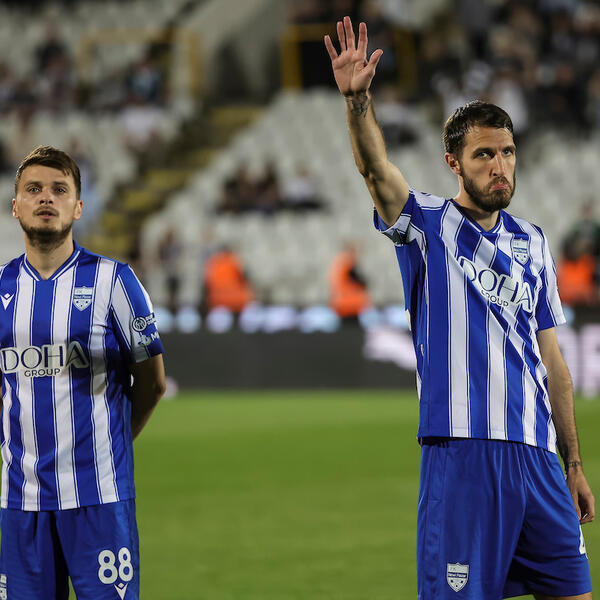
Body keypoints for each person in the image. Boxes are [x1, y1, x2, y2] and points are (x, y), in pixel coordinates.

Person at [325, 17, 594, 600]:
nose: (500, 166)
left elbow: (554, 363)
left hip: (540, 460)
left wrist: (573, 463)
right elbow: (376, 171)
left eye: (508, 153)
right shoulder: (427, 225)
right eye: (484, 155)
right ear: (454, 163)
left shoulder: (534, 242)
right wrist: (357, 102)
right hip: (463, 455)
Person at [0, 146, 166, 599]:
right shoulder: (1, 289)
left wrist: (111, 445)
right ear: (15, 206)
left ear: (78, 206)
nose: (45, 198)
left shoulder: (115, 282)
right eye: (33, 189)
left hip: (99, 498)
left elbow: (152, 383)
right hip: (20, 503)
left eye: (59, 189)